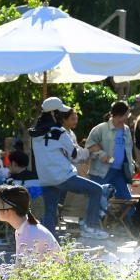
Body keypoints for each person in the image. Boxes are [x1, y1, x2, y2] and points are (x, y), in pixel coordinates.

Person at [29, 96, 109, 240]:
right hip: (63, 176)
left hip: (45, 178)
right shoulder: (60, 132)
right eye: (59, 112)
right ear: (53, 113)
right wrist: (89, 150)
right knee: (96, 190)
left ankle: (48, 241)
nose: (61, 115)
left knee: (50, 211)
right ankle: (90, 227)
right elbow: (75, 156)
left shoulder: (35, 134)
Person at [0, 185, 61, 259]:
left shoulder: (29, 232)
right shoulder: (24, 229)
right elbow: (22, 266)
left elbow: (24, 268)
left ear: (8, 210)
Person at [85, 100, 136, 200]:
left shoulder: (126, 130)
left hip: (119, 172)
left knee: (126, 200)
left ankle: (129, 212)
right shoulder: (100, 128)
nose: (126, 118)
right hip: (101, 172)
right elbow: (89, 146)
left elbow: (129, 151)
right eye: (124, 115)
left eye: (127, 115)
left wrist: (131, 168)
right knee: (95, 199)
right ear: (116, 114)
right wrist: (102, 155)